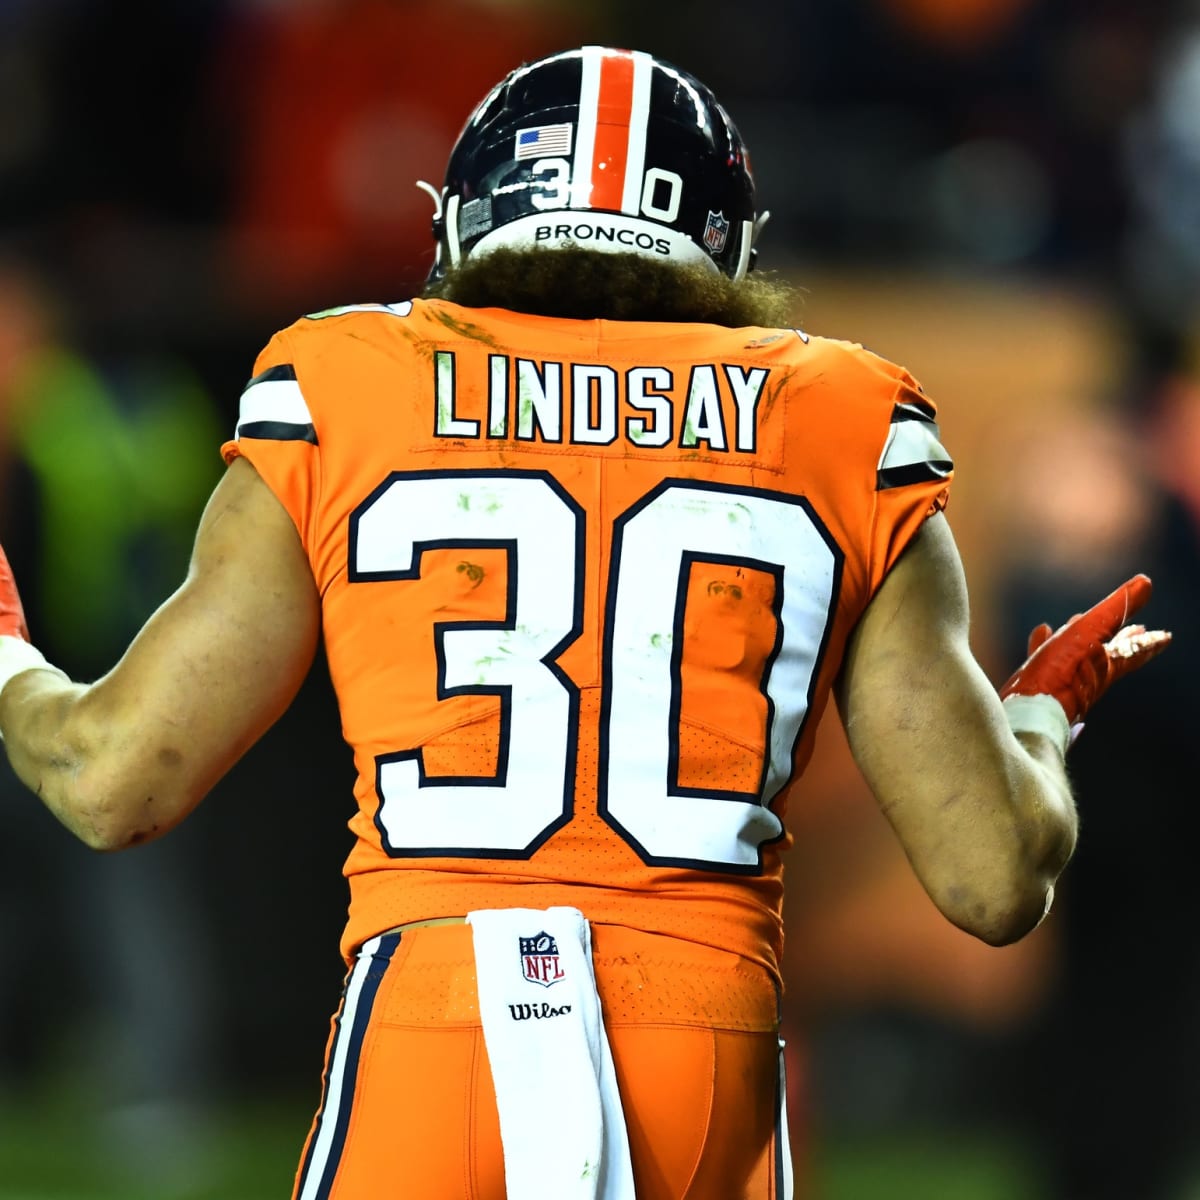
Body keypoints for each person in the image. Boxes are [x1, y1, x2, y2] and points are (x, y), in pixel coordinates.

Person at [0, 44, 1170, 1200]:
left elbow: (113, 777)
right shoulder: (845, 420)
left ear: (466, 219)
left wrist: (9, 662)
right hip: (704, 1048)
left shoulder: (347, 380)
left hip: (436, 1021)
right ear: (725, 239)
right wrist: (1037, 720)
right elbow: (991, 878)